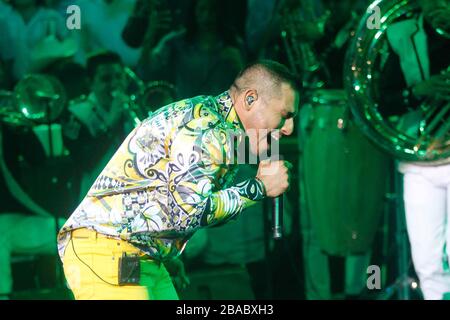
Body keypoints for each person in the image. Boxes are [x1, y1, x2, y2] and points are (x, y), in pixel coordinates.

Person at [57, 60, 299, 300]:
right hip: (108, 251)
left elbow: (185, 206)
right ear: (250, 99)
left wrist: (165, 252)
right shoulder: (206, 128)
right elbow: (189, 211)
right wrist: (258, 188)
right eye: (284, 115)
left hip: (135, 255)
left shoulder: (222, 128)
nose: (289, 128)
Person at [380, 0, 450, 300]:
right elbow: (381, 101)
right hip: (420, 160)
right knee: (427, 260)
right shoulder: (400, 35)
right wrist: (417, 92)